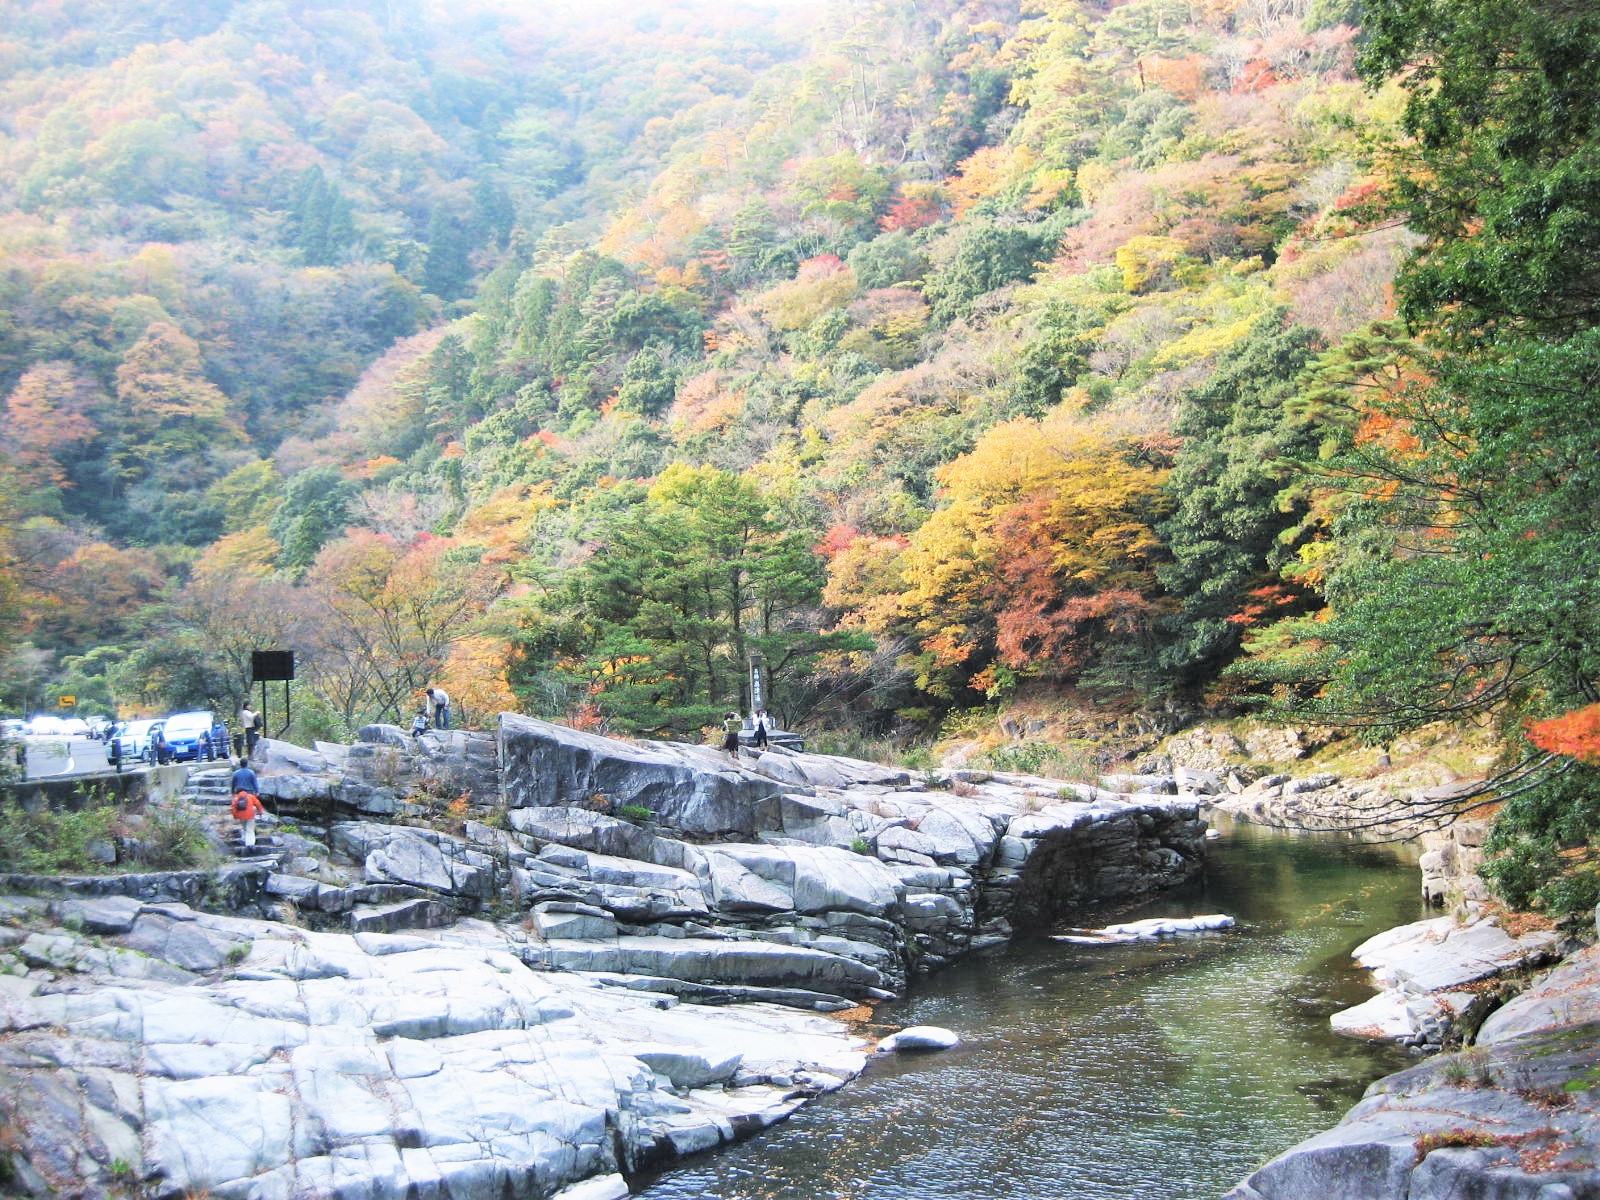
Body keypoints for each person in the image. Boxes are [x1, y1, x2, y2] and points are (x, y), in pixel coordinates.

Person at [230, 757, 265, 849]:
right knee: (250, 821)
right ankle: (250, 843)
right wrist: (257, 791)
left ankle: (244, 839)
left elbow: (233, 784)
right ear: (247, 764)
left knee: (244, 825)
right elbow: (255, 783)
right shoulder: (251, 773)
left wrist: (233, 792)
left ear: (240, 764)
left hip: (239, 796)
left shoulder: (236, 773)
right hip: (250, 794)